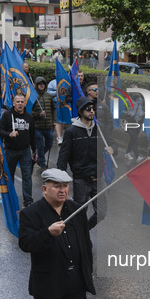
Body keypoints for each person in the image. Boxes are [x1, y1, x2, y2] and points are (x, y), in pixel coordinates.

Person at [18, 168, 95, 299]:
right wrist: (47, 233)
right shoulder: (30, 213)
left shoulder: (76, 209)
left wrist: (88, 270)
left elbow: (86, 243)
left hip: (74, 277)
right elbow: (25, 243)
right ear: (45, 189)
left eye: (65, 186)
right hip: (48, 280)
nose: (63, 190)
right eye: (57, 186)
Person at [57, 97, 113, 230]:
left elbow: (112, 144)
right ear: (81, 111)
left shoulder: (100, 129)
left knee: (101, 212)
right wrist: (59, 179)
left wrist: (113, 149)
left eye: (93, 108)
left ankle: (84, 231)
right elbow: (63, 156)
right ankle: (80, 237)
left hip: (98, 179)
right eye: (88, 109)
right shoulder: (71, 132)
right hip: (80, 180)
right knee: (79, 214)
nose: (92, 111)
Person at [0, 93, 37, 207]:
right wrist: (9, 134)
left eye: (22, 102)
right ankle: (10, 198)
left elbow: (33, 135)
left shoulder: (29, 117)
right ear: (13, 103)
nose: (20, 104)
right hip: (10, 150)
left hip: (25, 150)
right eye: (18, 102)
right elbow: (0, 130)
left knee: (27, 176)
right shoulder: (7, 115)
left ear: (25, 103)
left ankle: (28, 200)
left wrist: (35, 151)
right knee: (9, 176)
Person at [33, 76, 56, 170]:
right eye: (39, 84)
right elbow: (30, 112)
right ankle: (42, 164)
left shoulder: (49, 96)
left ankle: (38, 154)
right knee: (41, 145)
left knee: (49, 144)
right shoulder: (33, 97)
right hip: (37, 126)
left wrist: (54, 121)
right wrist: (39, 114)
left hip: (49, 126)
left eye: (43, 83)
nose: (42, 85)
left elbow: (53, 109)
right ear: (36, 85)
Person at [123, 87, 144, 164]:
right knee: (134, 138)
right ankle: (138, 156)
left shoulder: (140, 100)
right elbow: (122, 110)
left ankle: (127, 153)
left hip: (138, 121)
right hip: (130, 122)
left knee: (133, 138)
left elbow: (141, 108)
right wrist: (129, 114)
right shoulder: (127, 100)